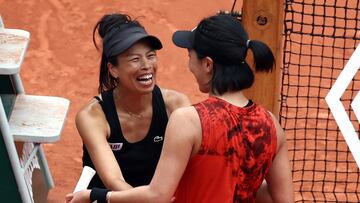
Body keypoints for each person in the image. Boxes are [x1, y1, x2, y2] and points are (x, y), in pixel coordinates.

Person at [66, 13, 294, 203]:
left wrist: (94, 196)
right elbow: (275, 194)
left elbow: (158, 195)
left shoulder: (188, 119)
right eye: (134, 59)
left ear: (207, 64)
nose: (188, 65)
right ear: (113, 69)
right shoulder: (272, 125)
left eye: (189, 56)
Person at [77, 13, 190, 191]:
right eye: (135, 59)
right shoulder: (92, 116)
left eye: (151, 56)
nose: (147, 65)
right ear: (113, 69)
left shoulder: (176, 106)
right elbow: (114, 181)